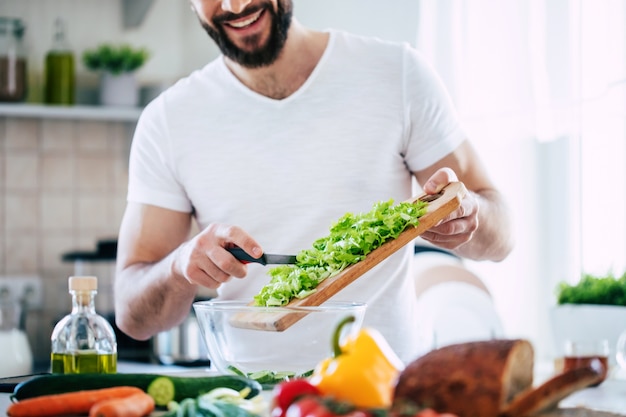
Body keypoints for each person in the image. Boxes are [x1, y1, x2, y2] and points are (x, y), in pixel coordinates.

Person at [114, 0, 514, 363]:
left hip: (382, 396)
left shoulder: (397, 75)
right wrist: (179, 267)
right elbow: (132, 316)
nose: (235, 5)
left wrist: (469, 216)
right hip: (251, 400)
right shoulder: (168, 121)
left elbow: (502, 234)